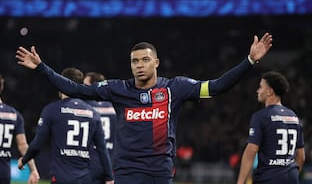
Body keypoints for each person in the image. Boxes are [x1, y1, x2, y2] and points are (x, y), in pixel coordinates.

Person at [16, 32, 272, 184]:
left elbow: (215, 87)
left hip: (160, 171)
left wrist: (249, 61)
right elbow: (77, 89)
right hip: (127, 172)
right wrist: (42, 68)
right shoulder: (117, 89)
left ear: (156, 62)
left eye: (145, 60)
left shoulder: (175, 88)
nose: (139, 65)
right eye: (134, 61)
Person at [18, 68, 114, 184]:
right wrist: (109, 177)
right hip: (85, 178)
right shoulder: (93, 113)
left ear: (60, 84)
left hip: (61, 177)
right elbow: (102, 149)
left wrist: (24, 159)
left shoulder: (52, 109)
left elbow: (38, 143)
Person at [237, 71, 305, 184]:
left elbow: (251, 151)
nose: (257, 91)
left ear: (270, 91)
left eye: (260, 87)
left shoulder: (261, 117)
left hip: (268, 177)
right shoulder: (294, 117)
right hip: (291, 177)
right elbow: (301, 156)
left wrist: (240, 182)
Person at [83, 72, 117, 184]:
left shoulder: (86, 108)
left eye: (86, 85)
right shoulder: (114, 108)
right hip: (111, 163)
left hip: (89, 163)